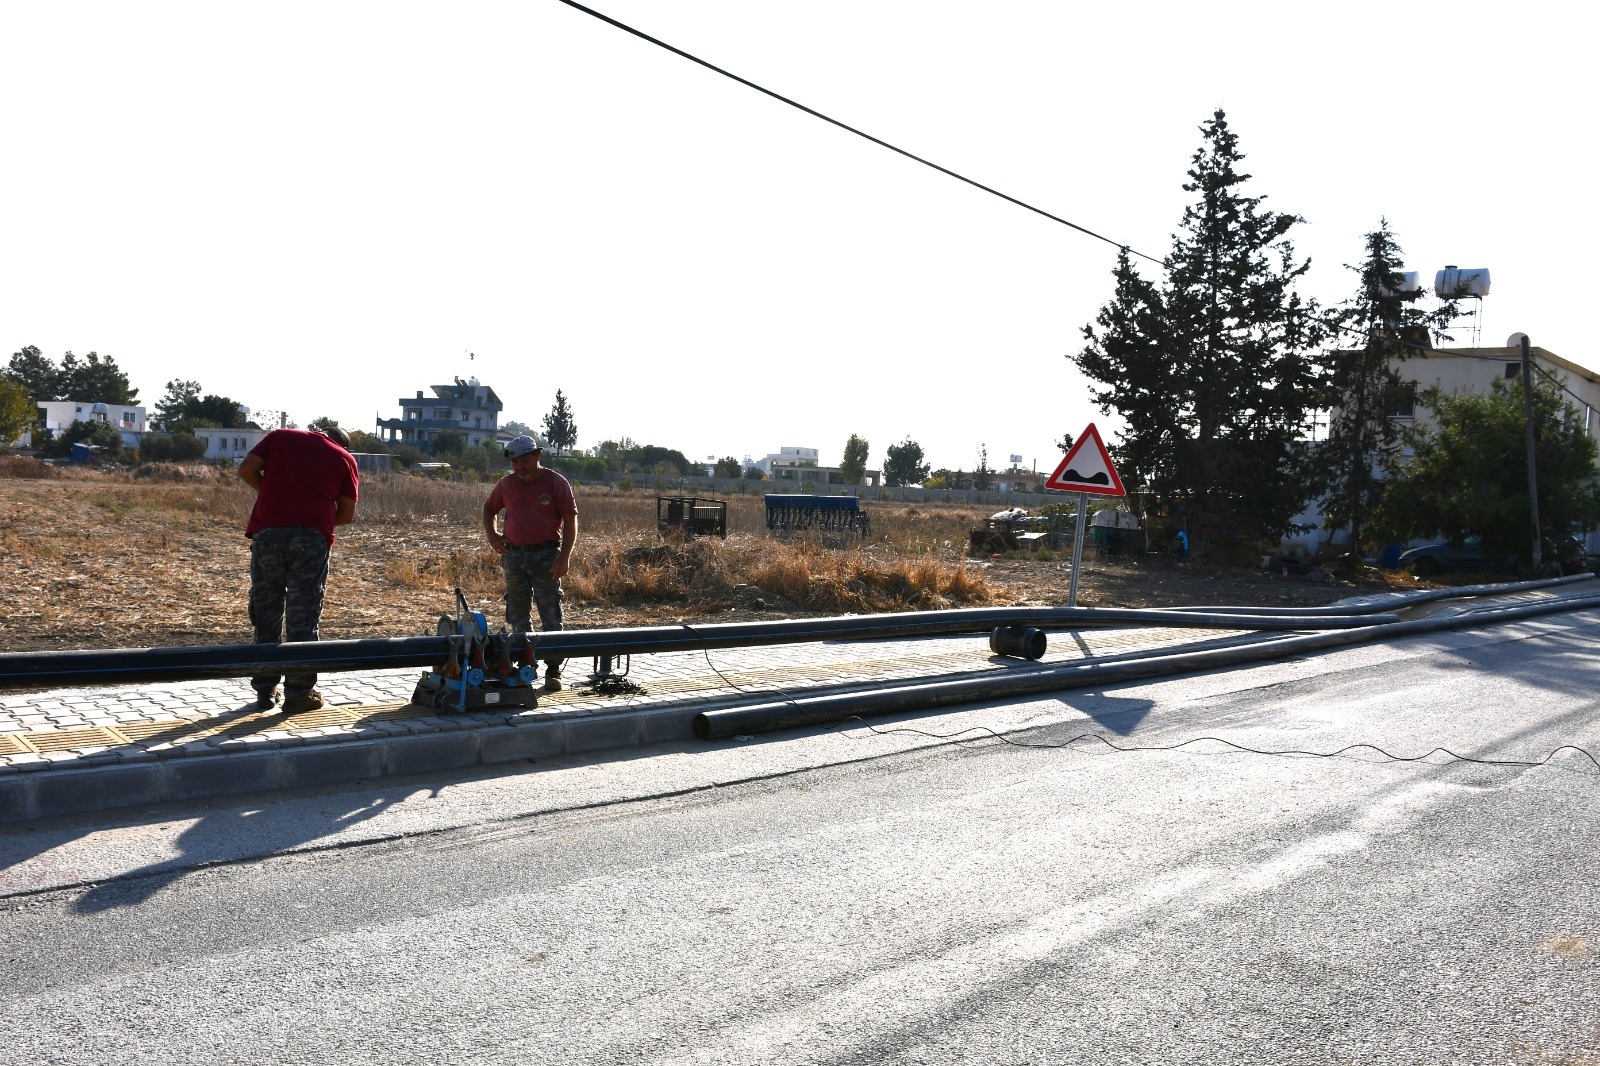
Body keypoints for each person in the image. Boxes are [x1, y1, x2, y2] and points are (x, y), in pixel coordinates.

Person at [238, 425, 360, 713]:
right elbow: (347, 514)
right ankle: (299, 694)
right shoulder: (344, 458)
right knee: (302, 615)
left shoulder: (282, 437)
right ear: (343, 444)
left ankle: (265, 691)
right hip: (310, 539)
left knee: (266, 611)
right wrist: (313, 514)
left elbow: (246, 469)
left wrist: (271, 491)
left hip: (268, 533)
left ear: (319, 432)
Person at [483, 435, 578, 691]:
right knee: (517, 613)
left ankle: (554, 669)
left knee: (550, 612)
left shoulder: (557, 482)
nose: (519, 467)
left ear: (537, 456)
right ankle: (527, 666)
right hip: (514, 556)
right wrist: (493, 537)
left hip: (546, 555)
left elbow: (570, 520)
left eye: (524, 461)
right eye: (515, 463)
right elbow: (488, 509)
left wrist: (564, 557)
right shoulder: (506, 485)